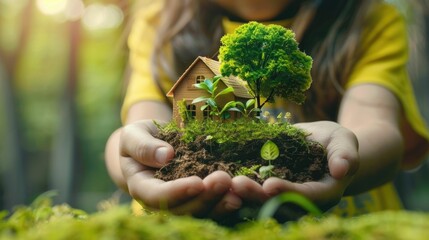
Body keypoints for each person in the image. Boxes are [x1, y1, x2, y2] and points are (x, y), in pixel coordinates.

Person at [105, 0, 429, 220]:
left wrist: (337, 157)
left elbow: (377, 128)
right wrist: (132, 161)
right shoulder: (159, 23)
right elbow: (140, 130)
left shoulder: (369, 21)